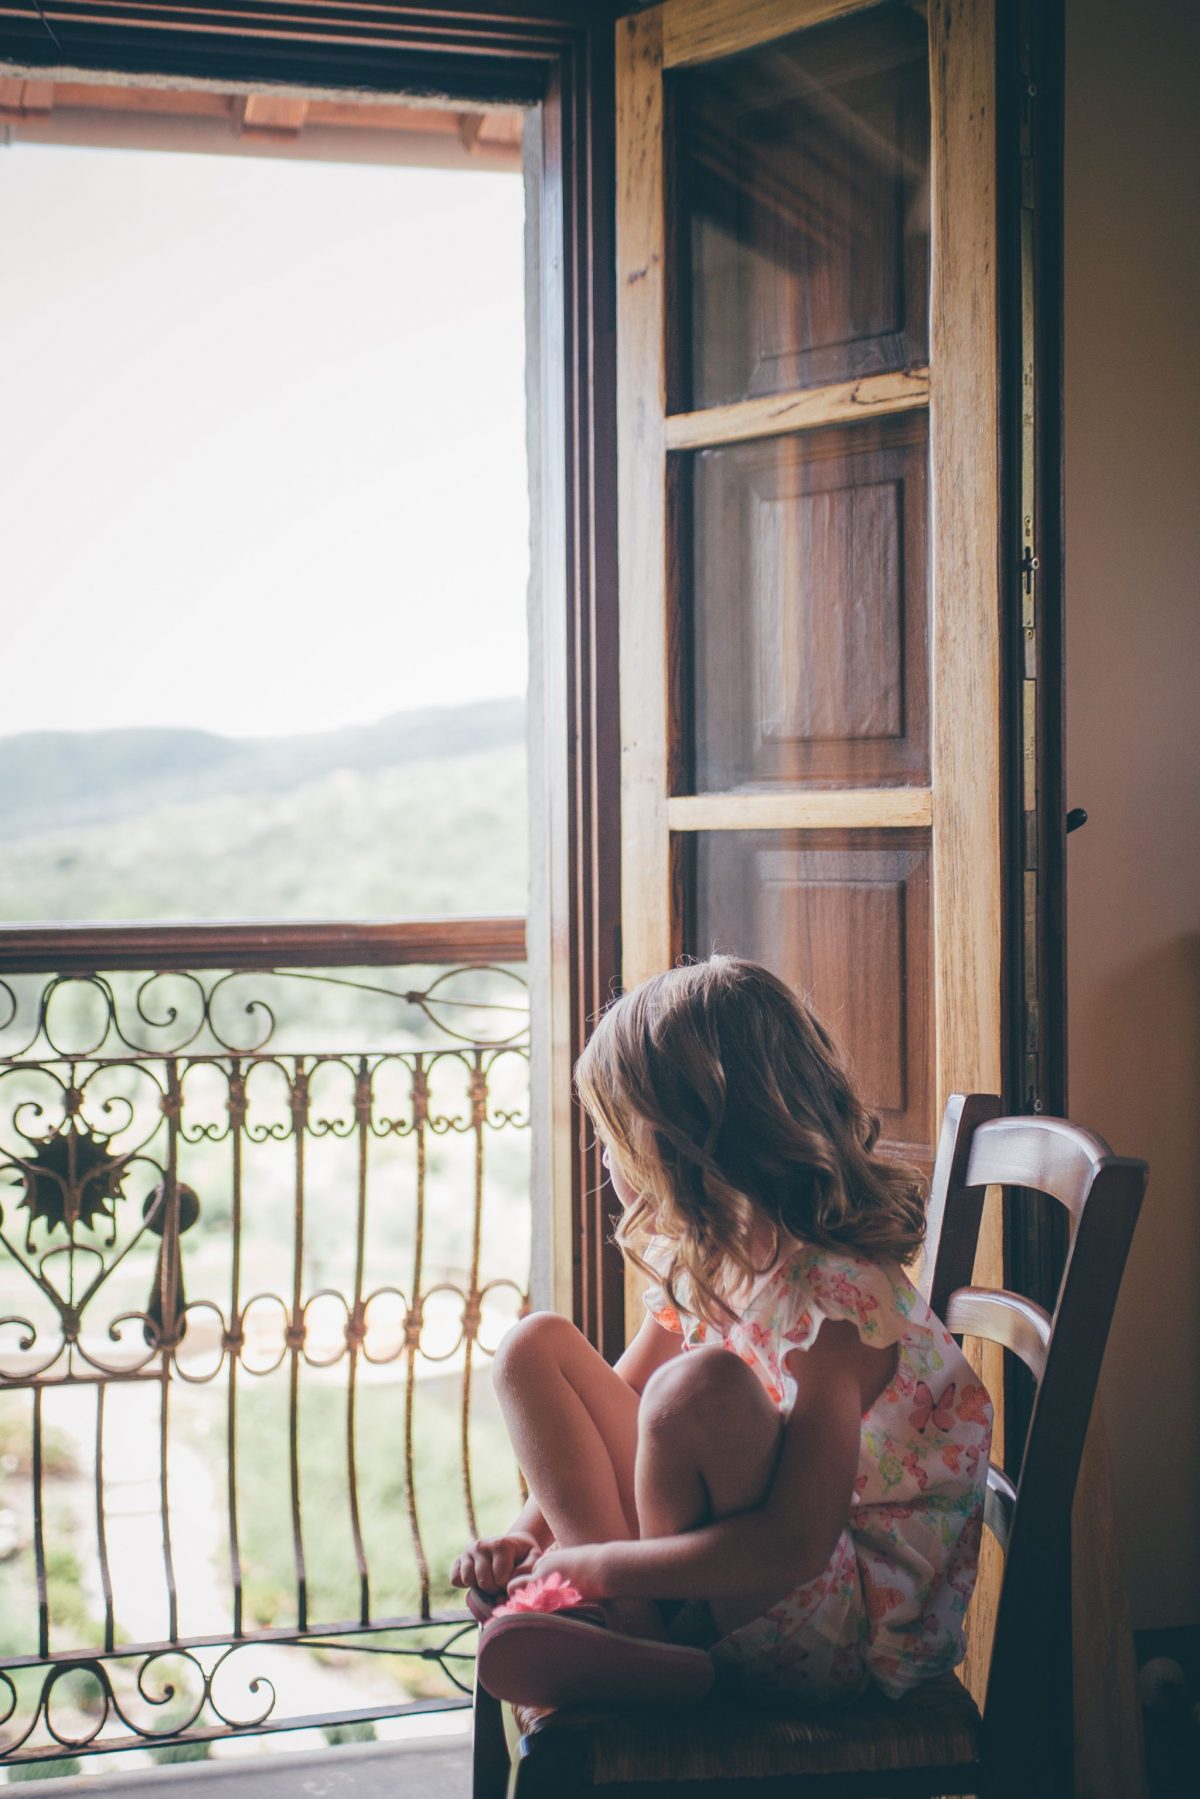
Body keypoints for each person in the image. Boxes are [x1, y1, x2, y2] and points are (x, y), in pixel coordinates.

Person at [452, 956, 992, 1709]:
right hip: (724, 1581)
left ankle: (624, 1622)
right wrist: (527, 1537)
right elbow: (624, 1403)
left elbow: (795, 1543)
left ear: (675, 1145)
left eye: (611, 1133)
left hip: (840, 1626)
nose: (604, 1154)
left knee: (698, 1386)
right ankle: (634, 1632)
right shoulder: (706, 1258)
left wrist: (596, 1564)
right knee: (533, 1347)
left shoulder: (837, 1308)